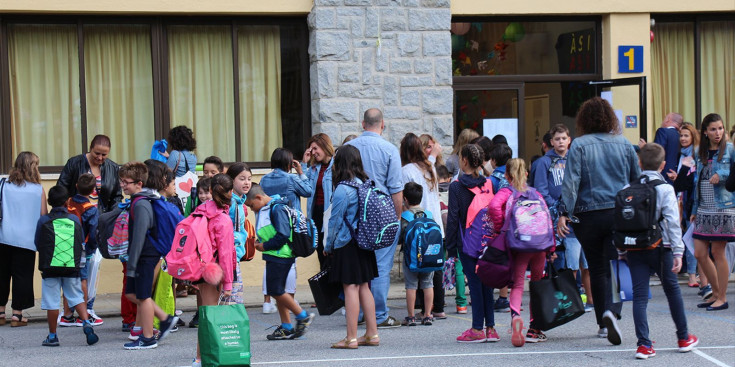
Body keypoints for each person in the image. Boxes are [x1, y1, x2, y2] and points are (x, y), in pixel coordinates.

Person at [558, 96, 640, 345]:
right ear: (609, 119)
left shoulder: (580, 145)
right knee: (614, 263)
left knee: (596, 267)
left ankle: (602, 321)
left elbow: (571, 182)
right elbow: (636, 181)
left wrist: (564, 212)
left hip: (587, 214)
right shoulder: (624, 144)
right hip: (618, 211)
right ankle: (611, 311)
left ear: (584, 120)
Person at [620, 143, 700, 359]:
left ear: (639, 163)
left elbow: (622, 221)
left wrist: (621, 249)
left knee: (639, 295)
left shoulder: (627, 189)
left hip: (635, 247)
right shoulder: (665, 189)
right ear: (663, 165)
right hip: (661, 248)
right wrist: (678, 252)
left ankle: (643, 344)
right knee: (672, 290)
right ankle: (683, 337)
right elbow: (673, 223)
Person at [346, 108, 403, 328]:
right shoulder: (389, 149)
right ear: (383, 124)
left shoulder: (349, 149)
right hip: (381, 214)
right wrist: (396, 219)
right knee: (379, 267)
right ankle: (379, 314)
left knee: (358, 266)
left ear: (363, 124)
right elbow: (396, 189)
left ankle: (359, 311)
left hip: (354, 215)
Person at [489, 158, 553, 347]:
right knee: (537, 284)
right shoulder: (536, 193)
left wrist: (501, 228)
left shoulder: (509, 193)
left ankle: (516, 316)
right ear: (526, 173)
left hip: (520, 245)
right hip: (540, 245)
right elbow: (547, 219)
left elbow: (495, 208)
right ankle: (534, 328)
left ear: (507, 175)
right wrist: (551, 247)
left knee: (517, 285)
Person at [531, 124, 594, 312]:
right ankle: (570, 302)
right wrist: (560, 212)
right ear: (551, 142)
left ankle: (591, 300)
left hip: (579, 217)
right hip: (558, 220)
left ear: (569, 140)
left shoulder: (576, 160)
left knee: (587, 263)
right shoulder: (543, 163)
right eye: (557, 139)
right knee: (569, 264)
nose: (560, 142)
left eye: (564, 138)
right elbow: (542, 192)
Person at [120, 162, 179, 350]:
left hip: (146, 254)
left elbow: (139, 235)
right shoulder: (139, 200)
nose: (122, 185)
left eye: (126, 182)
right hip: (142, 254)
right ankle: (164, 318)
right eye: (121, 181)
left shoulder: (142, 203)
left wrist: (132, 262)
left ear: (138, 183)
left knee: (143, 295)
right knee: (132, 293)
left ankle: (147, 338)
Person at [324, 145, 379, 349]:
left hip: (348, 244)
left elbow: (335, 222)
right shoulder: (365, 184)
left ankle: (351, 337)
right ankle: (372, 334)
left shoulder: (343, 189)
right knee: (364, 286)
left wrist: (329, 245)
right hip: (365, 242)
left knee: (350, 288)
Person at [245, 184, 315, 341]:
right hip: (275, 255)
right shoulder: (268, 208)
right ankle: (286, 326)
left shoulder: (277, 209)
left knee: (275, 290)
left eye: (251, 205)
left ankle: (302, 316)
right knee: (278, 290)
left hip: (280, 255)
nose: (251, 210)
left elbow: (283, 235)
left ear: (258, 197)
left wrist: (264, 246)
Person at [446, 144, 499, 343]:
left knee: (475, 285)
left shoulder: (457, 186)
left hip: (466, 242)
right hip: (488, 241)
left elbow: (453, 219)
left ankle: (477, 328)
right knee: (487, 284)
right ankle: (491, 328)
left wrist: (451, 248)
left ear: (465, 161)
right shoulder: (488, 183)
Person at [35, 186, 99, 347]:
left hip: (50, 267)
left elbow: (37, 243)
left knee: (52, 302)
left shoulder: (43, 220)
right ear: (66, 202)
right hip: (71, 266)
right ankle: (86, 323)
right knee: (76, 297)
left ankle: (52, 336)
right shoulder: (74, 219)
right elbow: (80, 241)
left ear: (49, 202)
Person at [191, 173, 236, 366]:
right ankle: (201, 358)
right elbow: (225, 255)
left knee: (206, 315)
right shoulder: (223, 220)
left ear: (210, 191)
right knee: (209, 317)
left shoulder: (200, 210)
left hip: (199, 268)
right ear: (230, 192)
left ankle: (204, 357)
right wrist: (228, 283)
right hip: (214, 272)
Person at [690, 113, 733, 311]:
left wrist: (721, 174)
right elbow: (696, 183)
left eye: (721, 128)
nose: (718, 133)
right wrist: (693, 209)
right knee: (699, 253)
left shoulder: (730, 149)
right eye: (713, 129)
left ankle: (721, 298)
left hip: (723, 207)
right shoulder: (700, 151)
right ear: (705, 132)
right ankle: (715, 293)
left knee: (717, 252)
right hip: (703, 208)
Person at [0, 152, 47, 327]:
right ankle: (17, 315)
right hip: (27, 241)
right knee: (22, 276)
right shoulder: (37, 190)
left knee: (2, 275)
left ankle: (1, 312)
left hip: (3, 237)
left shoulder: (3, 185)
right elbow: (43, 216)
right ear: (33, 167)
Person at [60, 173, 103, 327]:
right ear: (93, 191)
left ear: (76, 186)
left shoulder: (67, 202)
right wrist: (92, 248)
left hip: (64, 246)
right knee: (82, 280)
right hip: (82, 248)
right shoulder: (91, 209)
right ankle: (82, 315)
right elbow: (93, 233)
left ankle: (67, 315)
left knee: (68, 279)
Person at [669, 123, 707, 290]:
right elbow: (680, 184)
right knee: (685, 237)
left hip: (691, 202)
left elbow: (692, 183)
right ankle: (693, 273)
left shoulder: (695, 156)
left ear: (693, 137)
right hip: (679, 201)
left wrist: (679, 178)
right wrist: (678, 178)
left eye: (686, 135)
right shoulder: (679, 156)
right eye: (681, 136)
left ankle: (694, 274)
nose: (683, 139)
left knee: (692, 238)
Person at [399, 182, 435, 326]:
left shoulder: (405, 216)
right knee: (428, 284)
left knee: (411, 285)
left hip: (411, 258)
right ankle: (427, 315)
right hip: (428, 256)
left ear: (405, 199)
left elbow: (401, 237)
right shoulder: (429, 214)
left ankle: (411, 316)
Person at [58, 134, 122, 213]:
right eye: (97, 153)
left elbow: (116, 197)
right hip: (76, 216)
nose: (100, 158)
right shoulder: (74, 163)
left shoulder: (113, 168)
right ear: (90, 148)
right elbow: (61, 189)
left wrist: (112, 216)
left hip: (102, 219)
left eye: (104, 155)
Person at [302, 133, 335, 270]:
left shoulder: (336, 165)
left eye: (315, 148)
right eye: (311, 150)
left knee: (331, 254)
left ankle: (334, 288)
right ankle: (326, 288)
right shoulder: (314, 169)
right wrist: (304, 163)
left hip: (331, 213)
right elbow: (303, 186)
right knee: (321, 253)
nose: (313, 153)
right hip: (316, 214)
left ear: (324, 146)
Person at [400, 133, 444, 234]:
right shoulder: (430, 167)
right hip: (435, 226)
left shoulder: (406, 171)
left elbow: (404, 201)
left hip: (418, 227)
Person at [225, 163, 252, 307]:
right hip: (232, 255)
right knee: (233, 296)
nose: (246, 182)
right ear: (231, 180)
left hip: (234, 255)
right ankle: (229, 326)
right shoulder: (233, 203)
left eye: (249, 178)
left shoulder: (239, 201)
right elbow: (233, 233)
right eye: (242, 179)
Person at [261, 147, 312, 212]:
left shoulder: (264, 179)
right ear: (289, 163)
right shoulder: (291, 178)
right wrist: (301, 172)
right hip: (290, 219)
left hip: (271, 218)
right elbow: (308, 192)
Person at [654, 113, 684, 185]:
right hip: (676, 175)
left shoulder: (663, 131)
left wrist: (645, 148)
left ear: (668, 119)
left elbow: (657, 153)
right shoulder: (681, 136)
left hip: (662, 174)